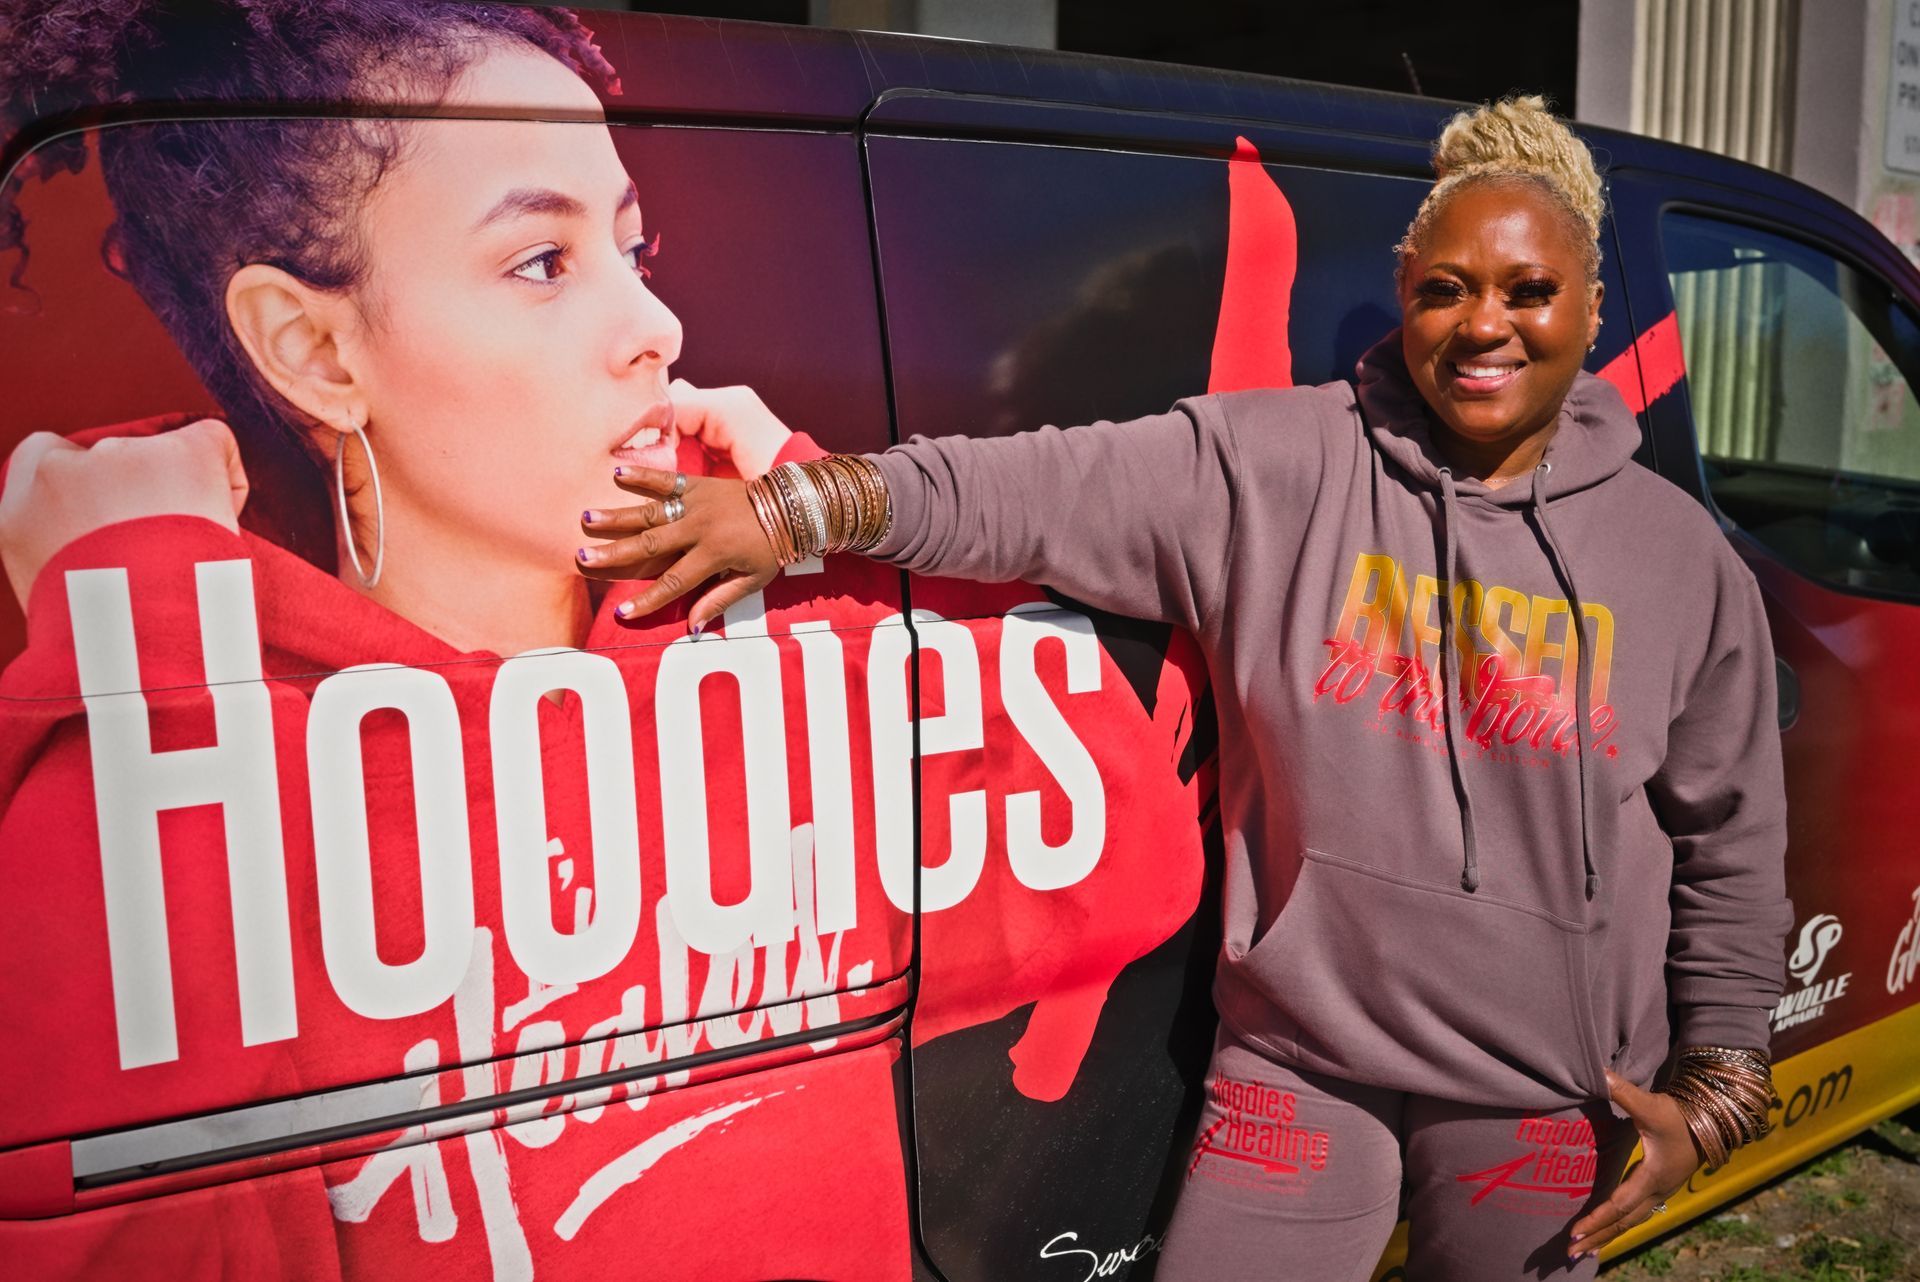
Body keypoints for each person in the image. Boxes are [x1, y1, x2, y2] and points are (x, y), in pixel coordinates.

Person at [588, 95, 1794, 1280]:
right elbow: (1024, 492)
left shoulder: (1678, 561)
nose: (1486, 325)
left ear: (1591, 305)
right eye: (1447, 288)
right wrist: (790, 510)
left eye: (1529, 291)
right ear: (1407, 285)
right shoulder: (1272, 467)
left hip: (1542, 1096)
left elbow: (1729, 844)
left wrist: (1722, 1085)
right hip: (1301, 1068)